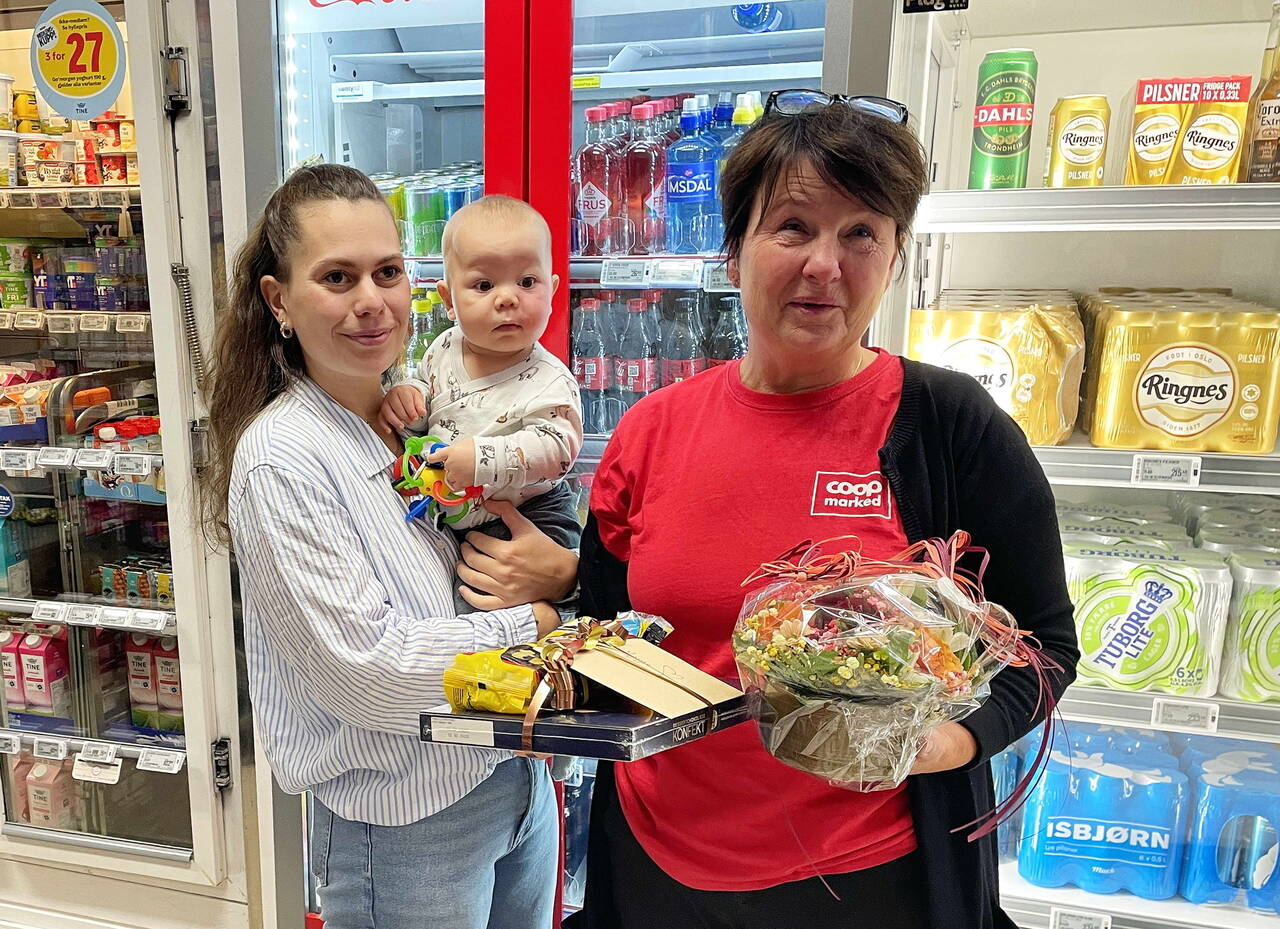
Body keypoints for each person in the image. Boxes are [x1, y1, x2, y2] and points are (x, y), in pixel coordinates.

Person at [568, 92, 1080, 929]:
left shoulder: (950, 427)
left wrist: (950, 741)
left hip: (866, 877)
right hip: (655, 859)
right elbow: (605, 626)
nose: (823, 264)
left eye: (861, 234)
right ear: (733, 252)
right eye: (794, 227)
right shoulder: (650, 430)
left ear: (894, 257)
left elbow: (1045, 647)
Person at [201, 164, 577, 929]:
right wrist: (537, 622)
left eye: (388, 271)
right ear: (280, 300)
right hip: (405, 820)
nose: (371, 301)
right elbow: (370, 672)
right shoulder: (284, 459)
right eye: (337, 277)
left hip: (514, 776)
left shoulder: (419, 411)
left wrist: (562, 572)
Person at [379, 195, 583, 557]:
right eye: (484, 286)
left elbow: (558, 450)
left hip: (532, 515)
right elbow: (432, 397)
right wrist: (409, 394)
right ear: (448, 300)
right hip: (454, 511)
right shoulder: (444, 347)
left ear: (552, 291)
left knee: (483, 601)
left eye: (526, 281)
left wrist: (482, 458)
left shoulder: (551, 380)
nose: (507, 298)